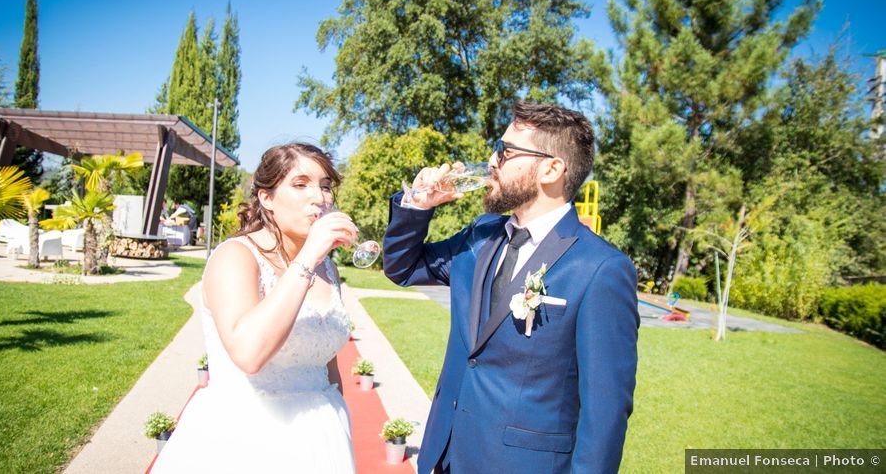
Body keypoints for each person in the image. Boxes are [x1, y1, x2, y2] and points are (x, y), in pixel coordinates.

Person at [383, 101, 639, 474]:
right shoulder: (480, 236)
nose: (491, 160)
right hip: (445, 456)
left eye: (505, 152)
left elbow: (606, 412)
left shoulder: (601, 269)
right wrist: (417, 205)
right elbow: (402, 267)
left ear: (551, 168)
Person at [152, 143, 357, 473]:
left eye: (325, 186)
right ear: (267, 198)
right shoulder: (235, 257)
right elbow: (249, 354)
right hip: (247, 438)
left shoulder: (327, 268)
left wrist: (339, 422)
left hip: (321, 439)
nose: (319, 197)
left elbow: (327, 363)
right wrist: (307, 257)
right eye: (300, 184)